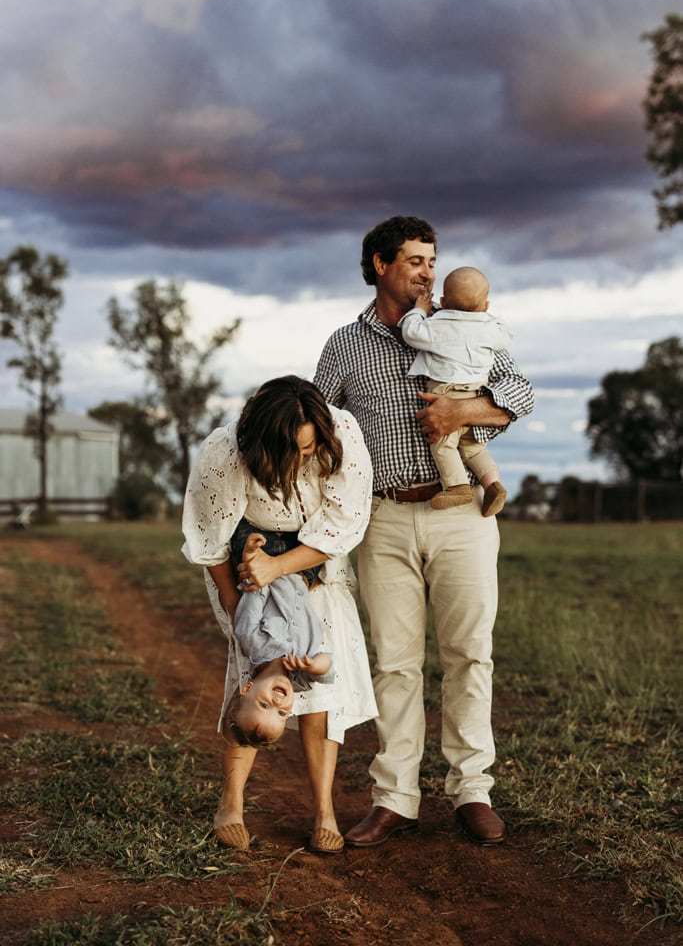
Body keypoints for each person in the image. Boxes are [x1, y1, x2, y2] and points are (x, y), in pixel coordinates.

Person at [314, 216, 533, 847]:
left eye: (432, 261)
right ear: (380, 265)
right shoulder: (343, 346)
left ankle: (472, 791)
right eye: (414, 260)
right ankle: (395, 799)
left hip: (463, 514)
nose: (427, 273)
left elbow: (520, 391)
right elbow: (319, 430)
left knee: (470, 655)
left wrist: (464, 409)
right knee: (396, 663)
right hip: (381, 516)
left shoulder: (459, 324)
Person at [182, 375, 377, 854]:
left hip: (316, 556)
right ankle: (231, 802)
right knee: (253, 681)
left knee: (320, 696)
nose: (304, 460)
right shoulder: (226, 451)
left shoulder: (342, 434)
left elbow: (341, 525)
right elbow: (210, 542)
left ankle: (325, 810)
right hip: (248, 559)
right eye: (294, 451)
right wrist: (239, 610)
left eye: (311, 450)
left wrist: (279, 567)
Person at [398, 265, 511, 516]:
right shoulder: (489, 328)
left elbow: (411, 333)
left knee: (442, 443)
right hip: (475, 394)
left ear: (443, 301)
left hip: (446, 393)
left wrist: (419, 311)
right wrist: (487, 318)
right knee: (473, 446)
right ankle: (493, 484)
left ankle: (457, 486)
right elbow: (504, 337)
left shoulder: (438, 324)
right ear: (486, 305)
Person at [228, 528, 334, 745]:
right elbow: (328, 667)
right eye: (282, 713)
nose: (277, 702)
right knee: (319, 529)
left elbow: (255, 589)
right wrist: (315, 666)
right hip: (304, 570)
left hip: (269, 555)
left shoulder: (252, 641)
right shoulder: (301, 677)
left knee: (269, 519)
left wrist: (251, 556)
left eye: (264, 705)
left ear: (247, 688)